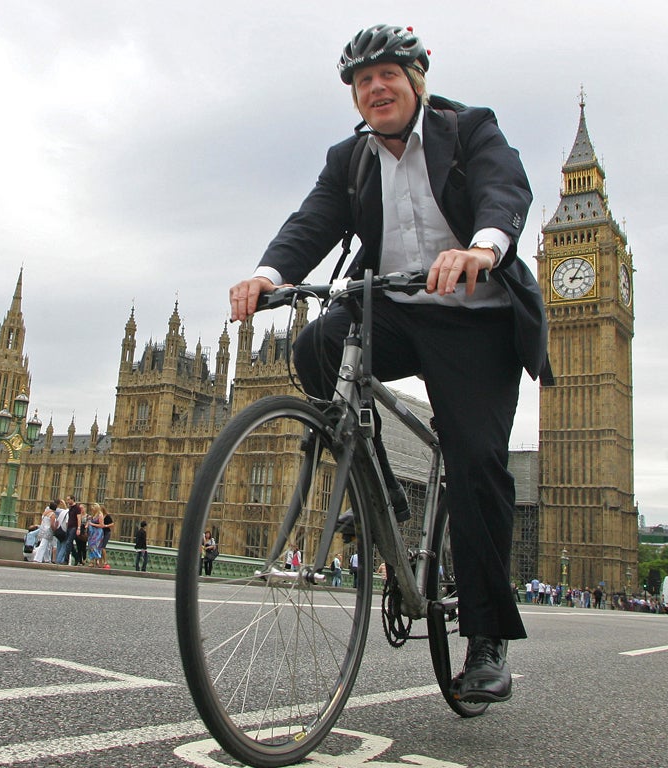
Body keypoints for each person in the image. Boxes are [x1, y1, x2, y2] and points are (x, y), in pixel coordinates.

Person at [232, 24, 553, 704]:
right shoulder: (348, 160)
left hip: (475, 315)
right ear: (355, 94)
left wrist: (483, 248)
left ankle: (488, 639)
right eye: (363, 80)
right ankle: (377, 481)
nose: (376, 87)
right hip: (395, 306)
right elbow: (311, 222)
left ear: (416, 81)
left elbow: (505, 191)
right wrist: (267, 274)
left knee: (476, 462)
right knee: (316, 343)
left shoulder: (468, 131)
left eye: (388, 75)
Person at [55, 495, 82, 565]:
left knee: (68, 543)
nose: (68, 501)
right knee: (70, 545)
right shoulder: (70, 508)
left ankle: (66, 560)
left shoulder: (77, 508)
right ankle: (77, 558)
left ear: (73, 499)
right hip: (69, 528)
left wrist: (78, 528)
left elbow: (79, 518)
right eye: (67, 500)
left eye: (69, 500)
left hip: (74, 528)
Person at [86, 503, 105, 567]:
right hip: (92, 533)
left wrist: (92, 524)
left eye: (93, 508)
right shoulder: (92, 515)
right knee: (90, 546)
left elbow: (102, 525)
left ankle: (97, 559)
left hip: (98, 533)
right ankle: (92, 561)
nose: (92, 509)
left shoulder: (100, 515)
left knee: (95, 545)